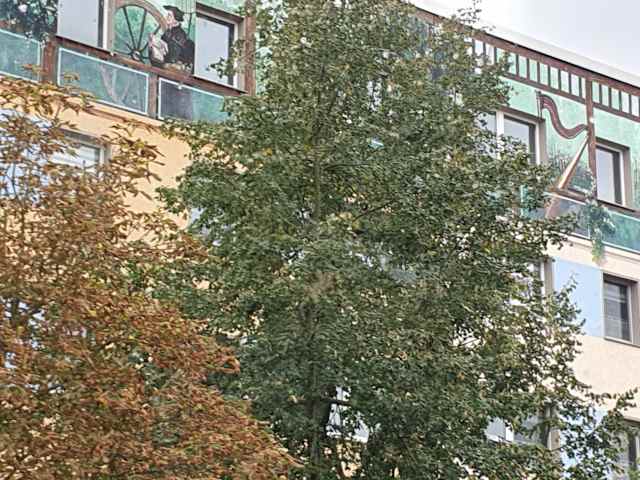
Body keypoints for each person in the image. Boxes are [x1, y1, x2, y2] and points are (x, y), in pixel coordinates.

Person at [149, 5, 195, 71]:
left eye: (169, 16)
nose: (166, 17)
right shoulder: (167, 33)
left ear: (176, 20)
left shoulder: (179, 36)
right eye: (167, 15)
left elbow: (172, 62)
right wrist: (152, 48)